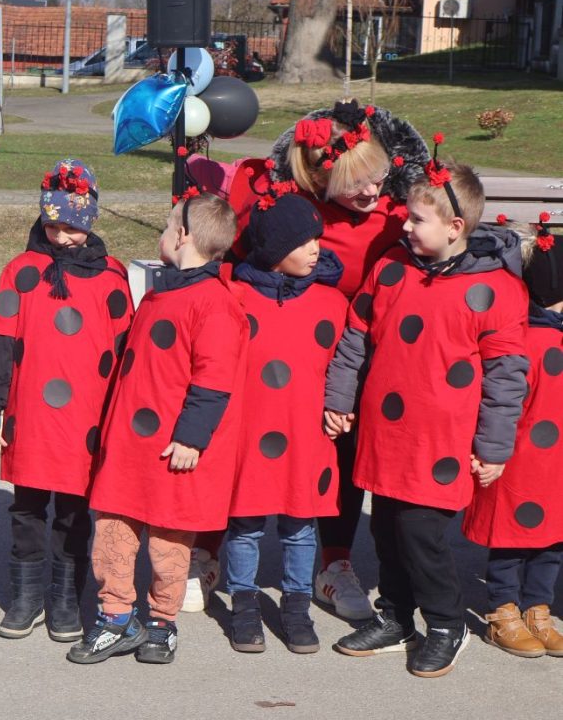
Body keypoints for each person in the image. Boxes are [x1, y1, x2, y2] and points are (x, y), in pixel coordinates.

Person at [211, 98, 429, 622]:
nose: (372, 193)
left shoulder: (393, 216)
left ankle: (334, 562)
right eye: (356, 186)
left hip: (357, 348)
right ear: (318, 179)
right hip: (283, 345)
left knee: (343, 451)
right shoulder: (285, 209)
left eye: (377, 178)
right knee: (234, 435)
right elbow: (234, 262)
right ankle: (204, 545)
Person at [324, 159, 529, 678]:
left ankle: (445, 624)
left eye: (417, 220)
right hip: (385, 430)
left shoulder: (497, 290)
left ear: (455, 228)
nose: (405, 227)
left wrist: (494, 447)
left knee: (422, 536)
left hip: (439, 440)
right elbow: (355, 336)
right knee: (388, 530)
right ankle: (395, 617)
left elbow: (506, 378)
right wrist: (340, 397)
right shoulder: (391, 268)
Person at [68, 192, 247, 666]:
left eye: (167, 228)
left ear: (184, 237)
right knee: (112, 530)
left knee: (170, 540)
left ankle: (161, 622)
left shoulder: (214, 304)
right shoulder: (161, 291)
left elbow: (214, 378)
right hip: (130, 443)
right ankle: (115, 617)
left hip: (173, 445)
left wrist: (192, 436)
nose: (163, 236)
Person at [0, 159, 133, 643]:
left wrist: (121, 419)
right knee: (27, 508)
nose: (63, 236)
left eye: (74, 227)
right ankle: (25, 595)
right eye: (55, 225)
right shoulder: (21, 272)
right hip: (31, 415)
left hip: (88, 416)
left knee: (75, 511)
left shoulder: (111, 276)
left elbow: (126, 354)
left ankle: (65, 597)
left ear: (92, 222)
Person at [223, 190, 347, 654]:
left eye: (317, 237)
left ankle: (297, 606)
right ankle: (244, 603)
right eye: (302, 242)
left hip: (305, 432)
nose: (315, 248)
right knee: (246, 524)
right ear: (273, 253)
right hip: (249, 430)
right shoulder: (234, 297)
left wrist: (341, 405)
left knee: (300, 525)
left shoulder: (332, 303)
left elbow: (345, 364)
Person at [463, 219, 563, 658]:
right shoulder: (524, 340)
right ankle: (503, 609)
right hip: (518, 458)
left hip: (553, 460)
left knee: (551, 536)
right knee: (512, 538)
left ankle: (536, 609)